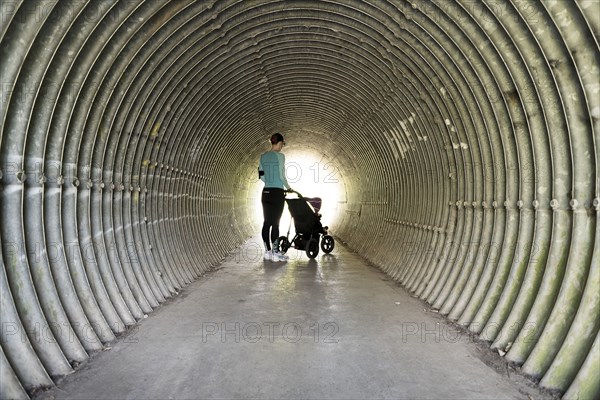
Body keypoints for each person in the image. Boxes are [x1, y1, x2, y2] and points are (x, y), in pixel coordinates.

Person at [258, 133, 292, 262]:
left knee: (267, 222)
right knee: (276, 223)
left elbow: (261, 175)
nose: (282, 147)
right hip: (277, 193)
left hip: (266, 192)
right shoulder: (281, 156)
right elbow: (282, 176)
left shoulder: (262, 157)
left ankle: (267, 251)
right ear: (279, 143)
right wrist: (288, 187)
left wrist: (269, 182)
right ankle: (276, 252)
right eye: (282, 144)